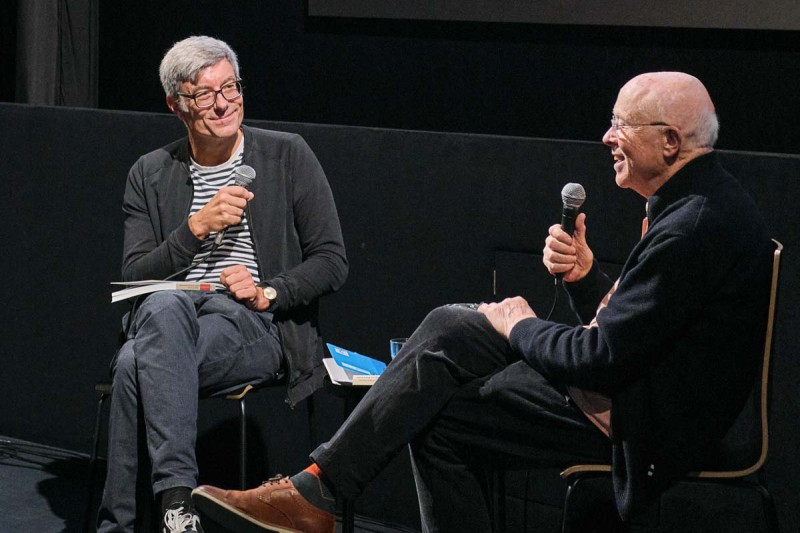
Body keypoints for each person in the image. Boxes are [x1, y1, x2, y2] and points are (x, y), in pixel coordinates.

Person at [192, 72, 773, 532]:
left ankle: (315, 493)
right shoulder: (695, 203)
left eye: (622, 125)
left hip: (648, 425)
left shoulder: (694, 225)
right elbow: (641, 329)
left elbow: (601, 356)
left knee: (441, 414)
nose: (607, 137)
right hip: (633, 390)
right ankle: (315, 490)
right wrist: (586, 278)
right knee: (453, 330)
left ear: (670, 141)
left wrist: (519, 326)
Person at [96, 36, 348, 533]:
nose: (223, 103)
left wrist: (267, 290)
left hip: (253, 322)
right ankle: (177, 508)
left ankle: (138, 518)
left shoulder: (286, 155)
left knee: (133, 363)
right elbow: (134, 277)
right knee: (163, 313)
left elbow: (332, 261)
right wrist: (194, 230)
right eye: (205, 94)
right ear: (176, 105)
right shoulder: (150, 172)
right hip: (172, 319)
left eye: (230, 87)